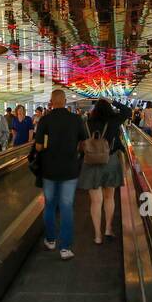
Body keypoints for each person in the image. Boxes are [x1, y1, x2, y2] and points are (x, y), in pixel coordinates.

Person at [33, 88, 88, 260]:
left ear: (51, 101)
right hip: (70, 170)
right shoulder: (75, 119)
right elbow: (83, 143)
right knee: (66, 207)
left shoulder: (45, 120)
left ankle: (50, 240)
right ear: (65, 101)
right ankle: (65, 248)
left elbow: (38, 147)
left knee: (49, 205)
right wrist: (76, 152)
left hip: (49, 170)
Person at [79, 99, 128, 245]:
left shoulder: (86, 123)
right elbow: (127, 111)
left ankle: (97, 235)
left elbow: (80, 142)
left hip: (90, 163)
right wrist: (115, 102)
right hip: (110, 161)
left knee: (95, 201)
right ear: (109, 109)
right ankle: (108, 228)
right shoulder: (113, 122)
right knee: (109, 197)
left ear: (94, 110)